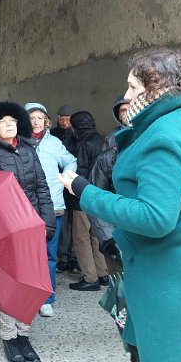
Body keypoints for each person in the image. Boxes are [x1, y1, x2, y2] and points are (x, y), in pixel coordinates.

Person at [60, 48, 181, 362]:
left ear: (159, 88)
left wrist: (84, 191)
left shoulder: (164, 136)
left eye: (133, 87)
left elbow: (155, 217)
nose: (127, 95)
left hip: (174, 288)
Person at [0, 102, 56, 362]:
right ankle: (9, 338)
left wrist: (48, 222)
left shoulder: (29, 150)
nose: (9, 125)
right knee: (8, 285)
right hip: (4, 229)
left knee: (29, 283)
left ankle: (24, 335)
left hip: (31, 228)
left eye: (13, 120)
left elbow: (42, 188)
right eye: (3, 121)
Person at [88, 95, 141, 362]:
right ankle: (135, 358)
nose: (129, 113)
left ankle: (158, 354)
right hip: (118, 238)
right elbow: (96, 198)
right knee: (123, 301)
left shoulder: (158, 144)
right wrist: (107, 238)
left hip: (152, 238)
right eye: (123, 110)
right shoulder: (110, 154)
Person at [24, 102, 76, 317]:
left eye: (40, 118)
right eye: (31, 118)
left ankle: (46, 298)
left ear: (46, 121)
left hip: (52, 206)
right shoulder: (17, 141)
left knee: (48, 254)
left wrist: (65, 179)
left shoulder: (54, 143)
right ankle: (27, 295)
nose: (36, 122)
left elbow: (71, 161)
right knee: (25, 254)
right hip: (24, 207)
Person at [65, 111, 108, 291]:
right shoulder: (101, 140)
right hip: (100, 195)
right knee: (96, 236)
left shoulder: (83, 143)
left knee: (81, 238)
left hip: (83, 197)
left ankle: (90, 278)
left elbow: (80, 171)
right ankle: (103, 273)